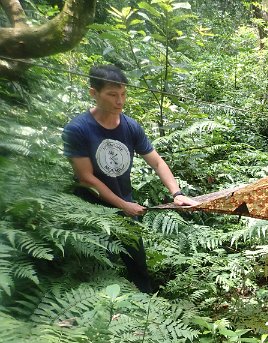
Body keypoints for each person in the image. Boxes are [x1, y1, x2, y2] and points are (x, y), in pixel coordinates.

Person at [63, 64, 197, 293]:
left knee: (138, 266)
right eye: (112, 95)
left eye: (123, 94)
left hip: (126, 207)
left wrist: (177, 194)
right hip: (91, 210)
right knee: (98, 270)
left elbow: (157, 162)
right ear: (93, 93)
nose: (120, 101)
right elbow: (85, 177)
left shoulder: (130, 126)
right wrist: (123, 205)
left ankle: (147, 310)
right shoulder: (77, 129)